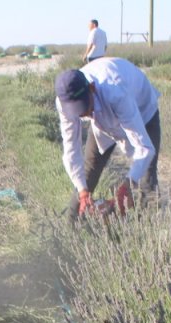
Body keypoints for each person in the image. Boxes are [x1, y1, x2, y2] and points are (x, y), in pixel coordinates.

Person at [54, 58, 160, 218]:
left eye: (84, 108)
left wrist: (127, 185)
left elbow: (144, 148)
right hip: (103, 120)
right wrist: (83, 192)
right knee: (88, 173)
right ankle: (70, 227)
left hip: (143, 111)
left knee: (146, 179)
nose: (83, 115)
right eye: (78, 112)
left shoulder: (116, 92)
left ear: (91, 88)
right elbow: (71, 151)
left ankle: (150, 228)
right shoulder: (63, 103)